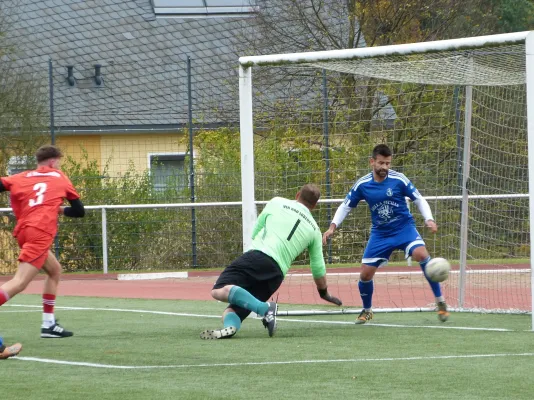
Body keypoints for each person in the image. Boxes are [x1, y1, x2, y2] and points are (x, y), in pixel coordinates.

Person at [322, 144, 450, 324]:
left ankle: (440, 302)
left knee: (421, 254)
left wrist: (429, 219)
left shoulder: (399, 180)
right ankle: (367, 310)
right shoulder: (363, 184)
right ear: (372, 162)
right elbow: (345, 206)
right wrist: (332, 227)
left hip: (404, 228)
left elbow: (419, 199)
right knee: (365, 275)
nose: (385, 167)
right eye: (381, 163)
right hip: (380, 234)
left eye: (388, 163)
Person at [201, 184, 342, 339]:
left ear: (297, 195)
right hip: (276, 275)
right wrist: (324, 293)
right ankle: (231, 327)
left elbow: (255, 232)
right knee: (233, 310)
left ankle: (265, 309)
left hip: (258, 256)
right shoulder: (315, 230)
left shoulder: (276, 202)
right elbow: (318, 268)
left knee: (218, 289)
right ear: (314, 206)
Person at [0, 145, 85, 338]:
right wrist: (59, 209)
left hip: (23, 231)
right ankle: (48, 325)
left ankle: (48, 325)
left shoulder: (21, 176)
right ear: (54, 162)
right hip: (40, 233)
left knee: (54, 271)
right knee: (19, 282)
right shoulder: (60, 177)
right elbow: (79, 211)